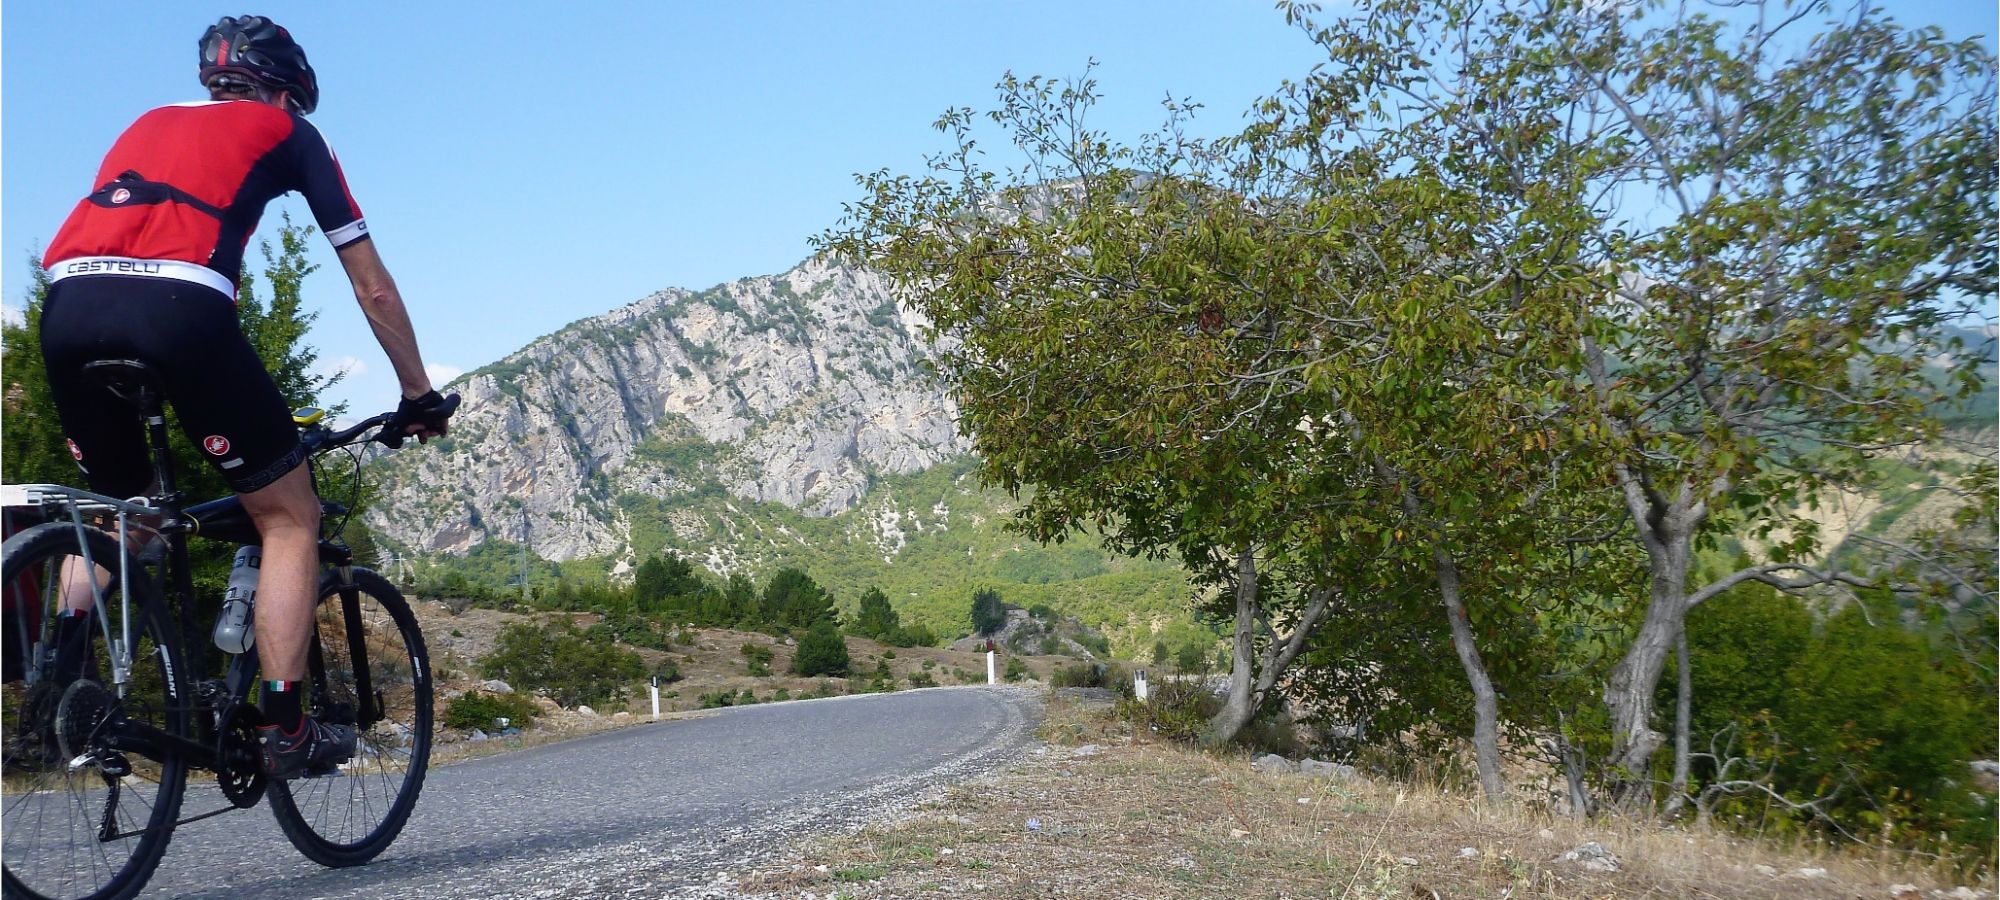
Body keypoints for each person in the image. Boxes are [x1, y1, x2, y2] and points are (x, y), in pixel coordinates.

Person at [37, 15, 455, 779]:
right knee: (289, 516)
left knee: (122, 509)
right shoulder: (289, 133)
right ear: (289, 91)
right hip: (180, 309)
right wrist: (417, 392)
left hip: (66, 305)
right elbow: (374, 288)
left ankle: (60, 688)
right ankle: (286, 726)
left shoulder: (146, 122)